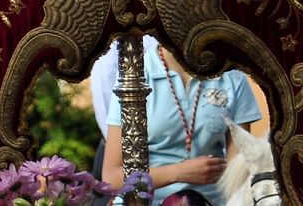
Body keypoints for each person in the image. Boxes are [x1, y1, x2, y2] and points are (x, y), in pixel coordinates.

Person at [100, 42, 261, 205]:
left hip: (212, 201)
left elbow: (238, 174)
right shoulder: (135, 75)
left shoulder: (231, 76)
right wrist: (178, 173)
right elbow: (112, 177)